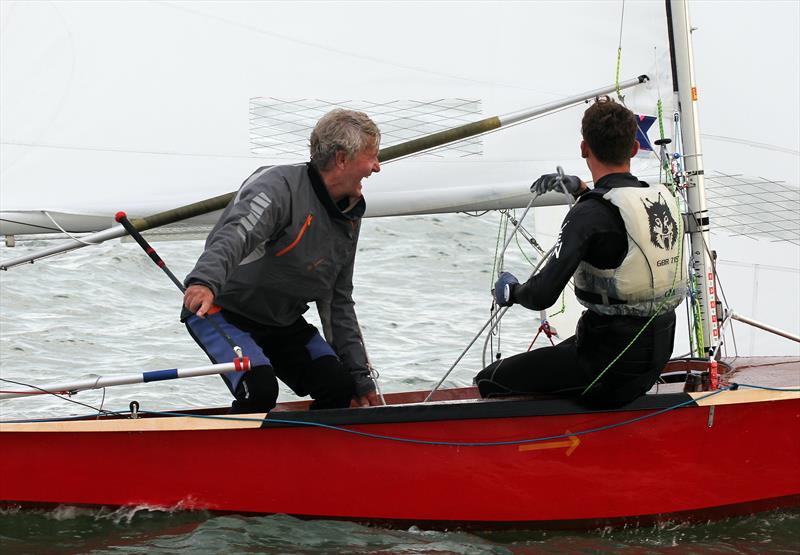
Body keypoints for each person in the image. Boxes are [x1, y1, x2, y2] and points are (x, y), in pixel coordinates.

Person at [475, 97, 685, 407]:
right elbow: (618, 223)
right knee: (562, 356)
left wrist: (512, 290)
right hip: (655, 354)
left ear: (584, 148)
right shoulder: (660, 197)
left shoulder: (588, 216)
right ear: (632, 149)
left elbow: (543, 294)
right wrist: (582, 190)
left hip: (611, 368)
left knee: (490, 379)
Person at [182, 109, 381, 413]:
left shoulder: (349, 215)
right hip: (220, 311)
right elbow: (236, 235)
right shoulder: (277, 187)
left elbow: (338, 300)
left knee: (339, 386)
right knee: (260, 390)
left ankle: (315, 457)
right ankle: (240, 456)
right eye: (372, 156)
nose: (376, 167)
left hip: (280, 321)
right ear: (341, 159)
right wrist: (204, 281)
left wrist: (360, 377)